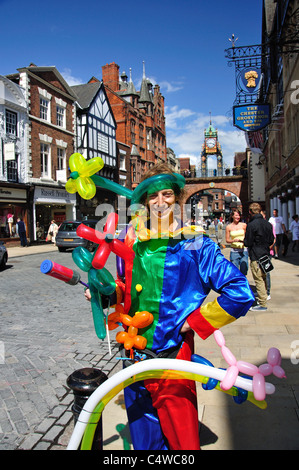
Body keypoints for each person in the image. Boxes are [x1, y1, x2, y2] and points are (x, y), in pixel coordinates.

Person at [85, 163, 254, 450]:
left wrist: (196, 321)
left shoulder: (195, 244)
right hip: (133, 359)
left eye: (167, 194)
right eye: (152, 196)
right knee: (144, 443)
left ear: (177, 199)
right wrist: (105, 295)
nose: (160, 202)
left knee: (182, 443)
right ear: (144, 201)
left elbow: (239, 292)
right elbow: (124, 290)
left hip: (172, 360)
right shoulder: (131, 240)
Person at [244, 203, 275, 311]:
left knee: (258, 279)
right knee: (264, 276)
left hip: (256, 254)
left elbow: (248, 242)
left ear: (250, 212)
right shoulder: (267, 224)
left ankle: (262, 304)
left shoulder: (252, 225)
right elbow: (271, 240)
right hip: (266, 253)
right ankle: (264, 296)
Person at [225, 209, 248, 275]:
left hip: (243, 250)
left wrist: (243, 241)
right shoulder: (228, 227)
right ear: (232, 216)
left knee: (244, 270)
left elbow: (247, 237)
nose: (238, 217)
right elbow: (227, 240)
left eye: (239, 215)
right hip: (234, 251)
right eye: (236, 215)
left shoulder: (244, 225)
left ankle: (243, 284)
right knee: (234, 272)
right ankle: (236, 285)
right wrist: (233, 240)